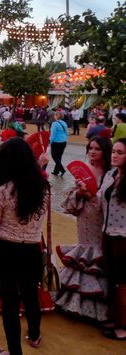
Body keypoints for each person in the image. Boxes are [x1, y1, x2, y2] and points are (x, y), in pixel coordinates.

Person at [0, 137, 50, 355]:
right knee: (31, 293)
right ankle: (35, 334)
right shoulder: (44, 188)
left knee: (10, 302)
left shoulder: (2, 190)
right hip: (32, 249)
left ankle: (14, 351)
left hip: (5, 249)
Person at [56, 136, 112, 322]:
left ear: (106, 152)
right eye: (90, 148)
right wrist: (80, 192)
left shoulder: (111, 175)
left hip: (102, 220)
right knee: (83, 251)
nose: (93, 152)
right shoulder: (85, 172)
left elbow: (109, 202)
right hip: (85, 217)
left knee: (97, 253)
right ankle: (73, 300)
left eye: (97, 148)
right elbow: (73, 201)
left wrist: (88, 194)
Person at [98, 138, 126, 340]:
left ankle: (124, 325)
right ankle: (116, 317)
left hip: (123, 237)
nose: (114, 155)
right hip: (107, 233)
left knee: (123, 282)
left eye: (120, 153)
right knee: (112, 279)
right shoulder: (110, 174)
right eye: (114, 151)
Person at [50, 111, 69, 177]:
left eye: (55, 115)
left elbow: (53, 134)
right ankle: (56, 171)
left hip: (56, 142)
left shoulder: (54, 124)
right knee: (59, 156)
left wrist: (50, 141)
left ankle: (62, 169)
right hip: (63, 142)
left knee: (54, 156)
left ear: (57, 116)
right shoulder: (64, 123)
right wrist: (65, 139)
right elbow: (67, 133)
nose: (54, 116)